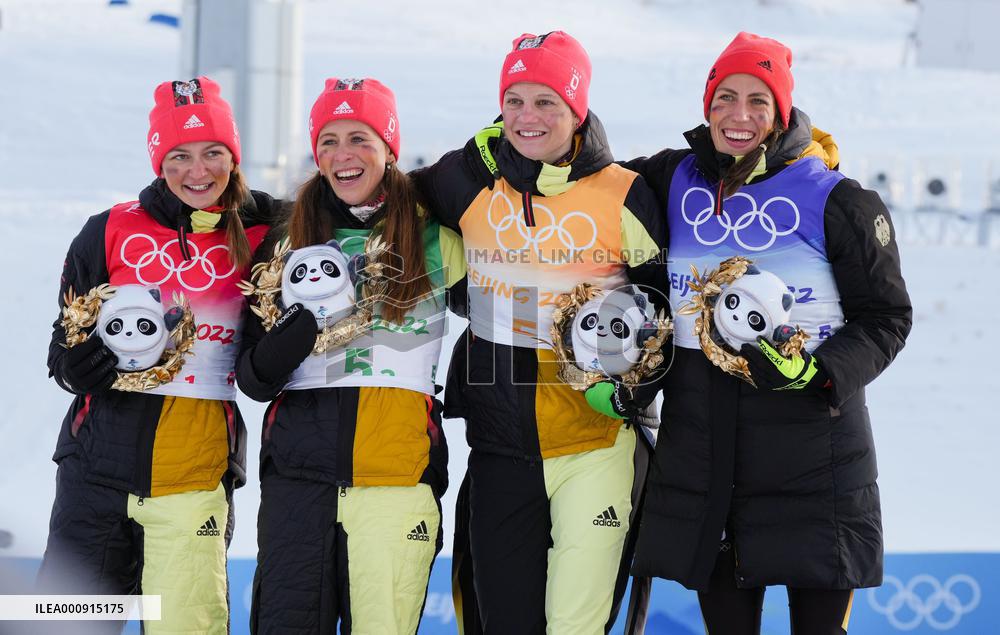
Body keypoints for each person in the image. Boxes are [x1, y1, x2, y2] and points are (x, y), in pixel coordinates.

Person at [621, 32, 912, 634]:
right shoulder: (669, 178)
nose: (740, 115)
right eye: (726, 96)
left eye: (759, 100)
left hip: (818, 464)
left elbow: (887, 317)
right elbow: (585, 177)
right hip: (709, 467)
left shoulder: (839, 199)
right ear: (707, 104)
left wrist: (822, 370)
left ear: (781, 111)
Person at [413, 31, 667, 634]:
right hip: (501, 447)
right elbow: (383, 197)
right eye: (515, 100)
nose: (528, 117)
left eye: (547, 101)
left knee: (577, 625)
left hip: (597, 443)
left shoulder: (625, 193)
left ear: (577, 109)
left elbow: (666, 317)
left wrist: (637, 391)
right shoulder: (464, 180)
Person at [40, 76, 275, 634]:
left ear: (233, 156)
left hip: (195, 478)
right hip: (94, 477)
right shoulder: (107, 231)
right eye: (180, 155)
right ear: (157, 160)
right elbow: (61, 345)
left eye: (214, 152)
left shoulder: (268, 228)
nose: (199, 171)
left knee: (187, 627)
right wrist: (73, 368)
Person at [236, 77, 461, 634]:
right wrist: (283, 345)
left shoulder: (438, 235)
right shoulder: (282, 241)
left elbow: (511, 301)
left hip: (397, 476)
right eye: (329, 141)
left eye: (360, 137)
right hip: (297, 481)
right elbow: (252, 377)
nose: (343, 155)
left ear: (389, 146)